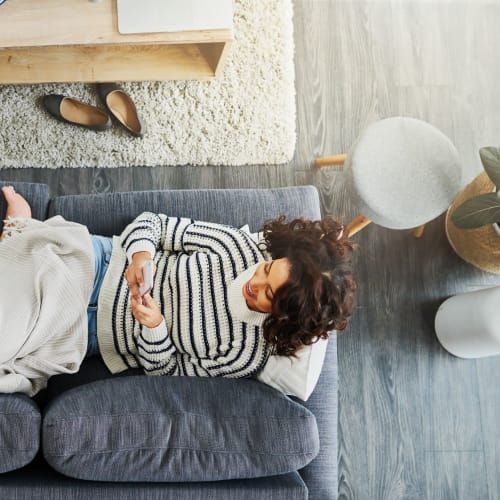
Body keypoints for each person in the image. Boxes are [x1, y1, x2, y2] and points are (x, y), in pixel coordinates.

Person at [0, 185, 356, 396]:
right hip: (98, 264)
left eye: (267, 295)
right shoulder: (240, 249)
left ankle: (18, 230)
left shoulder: (243, 354)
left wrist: (154, 327)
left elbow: (164, 368)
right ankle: (21, 231)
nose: (253, 283)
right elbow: (154, 224)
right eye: (265, 271)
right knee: (24, 283)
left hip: (90, 333)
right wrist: (141, 257)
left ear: (283, 316)